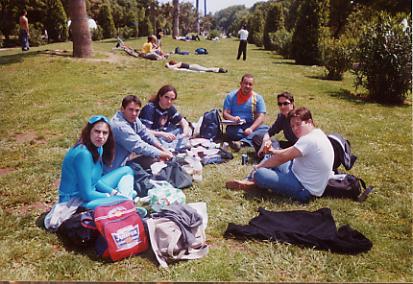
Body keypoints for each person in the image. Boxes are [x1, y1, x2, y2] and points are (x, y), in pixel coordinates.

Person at [226, 107, 334, 203]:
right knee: (270, 156)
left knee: (260, 173)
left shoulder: (309, 139)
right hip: (296, 172)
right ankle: (252, 181)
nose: (295, 128)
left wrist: (259, 166)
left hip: (304, 189)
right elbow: (287, 152)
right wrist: (273, 151)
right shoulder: (316, 134)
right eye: (292, 126)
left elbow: (282, 158)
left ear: (309, 122)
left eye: (298, 124)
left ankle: (252, 180)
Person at [58, 115, 135, 210]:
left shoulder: (98, 148)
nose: (100, 136)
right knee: (122, 200)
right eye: (97, 131)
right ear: (89, 131)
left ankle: (126, 199)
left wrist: (114, 193)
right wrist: (109, 197)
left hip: (90, 193)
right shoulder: (83, 154)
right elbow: (86, 194)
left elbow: (95, 181)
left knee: (127, 170)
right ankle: (128, 201)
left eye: (105, 133)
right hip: (74, 202)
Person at [107, 95, 173, 171]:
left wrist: (162, 148)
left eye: (137, 110)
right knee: (155, 160)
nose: (134, 113)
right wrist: (163, 154)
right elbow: (139, 146)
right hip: (115, 167)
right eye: (130, 110)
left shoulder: (133, 119)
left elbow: (145, 133)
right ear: (122, 109)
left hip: (127, 157)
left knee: (156, 158)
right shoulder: (119, 126)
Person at [223, 73, 269, 151]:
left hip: (252, 125)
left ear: (253, 86)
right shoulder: (231, 96)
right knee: (230, 131)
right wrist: (233, 118)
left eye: (250, 84)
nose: (247, 86)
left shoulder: (258, 98)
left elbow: (261, 117)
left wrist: (251, 129)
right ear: (241, 84)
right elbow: (225, 114)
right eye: (245, 83)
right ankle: (253, 138)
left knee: (267, 129)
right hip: (236, 126)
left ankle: (242, 142)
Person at [253, 92, 298, 158]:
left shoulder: (298, 118)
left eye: (285, 103)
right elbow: (270, 131)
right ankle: (269, 154)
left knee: (274, 147)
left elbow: (302, 144)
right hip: (289, 145)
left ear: (292, 103)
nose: (282, 107)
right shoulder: (282, 117)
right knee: (258, 138)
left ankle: (270, 155)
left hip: (297, 149)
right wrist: (265, 141)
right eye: (280, 104)